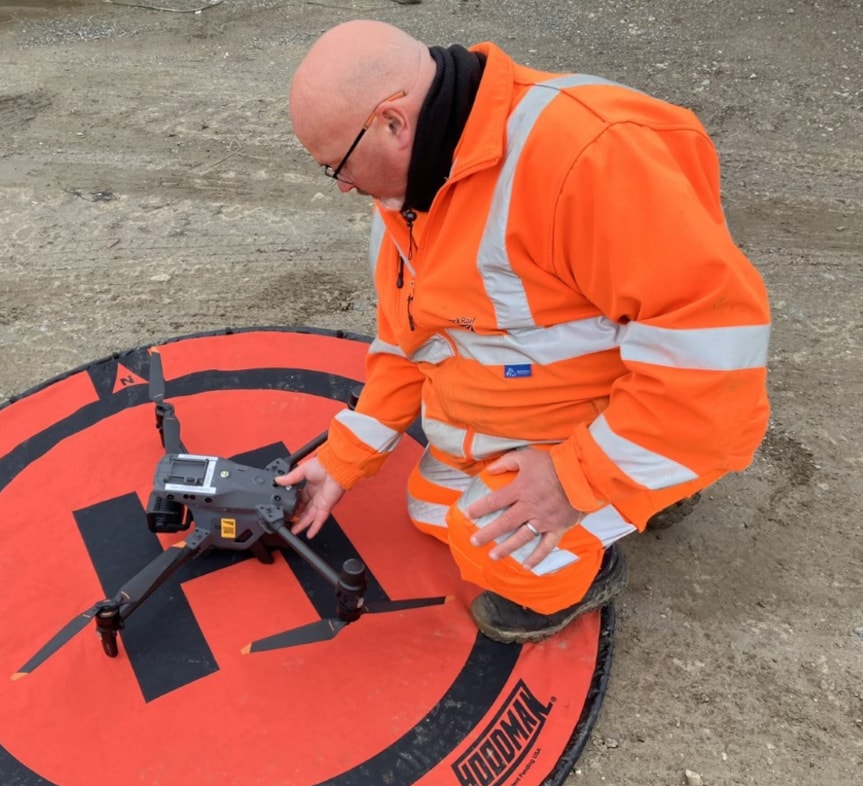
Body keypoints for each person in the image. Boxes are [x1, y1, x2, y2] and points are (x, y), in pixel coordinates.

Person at [275, 20, 771, 643]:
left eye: (337, 165)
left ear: (393, 123)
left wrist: (575, 480)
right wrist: (341, 462)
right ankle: (638, 492)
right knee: (430, 508)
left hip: (618, 409)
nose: (343, 185)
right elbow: (408, 344)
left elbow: (712, 358)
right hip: (530, 398)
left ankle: (627, 521)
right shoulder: (406, 197)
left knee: (492, 549)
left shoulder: (589, 155)